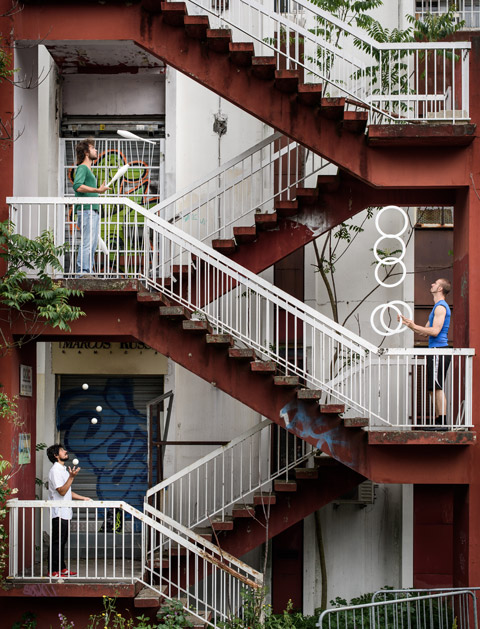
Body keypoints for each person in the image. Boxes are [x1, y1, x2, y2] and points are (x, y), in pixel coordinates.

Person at [399, 278, 452, 431]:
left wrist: (413, 325)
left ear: (440, 288)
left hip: (439, 351)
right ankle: (437, 421)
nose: (431, 284)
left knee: (437, 386)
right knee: (432, 387)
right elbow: (424, 332)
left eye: (434, 283)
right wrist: (409, 325)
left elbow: (435, 331)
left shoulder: (441, 307)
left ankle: (442, 423)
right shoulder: (436, 307)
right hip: (434, 351)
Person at [46, 444, 91, 577]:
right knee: (57, 541)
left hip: (65, 511)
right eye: (62, 451)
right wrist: (71, 477)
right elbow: (61, 491)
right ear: (56, 455)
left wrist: (83, 498)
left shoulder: (64, 470)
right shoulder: (55, 470)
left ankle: (62, 568)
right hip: (58, 511)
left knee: (62, 540)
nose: (66, 452)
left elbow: (68, 492)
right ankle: (53, 570)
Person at [73, 139, 108, 276]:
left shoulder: (88, 169)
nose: (96, 150)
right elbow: (77, 186)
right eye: (93, 148)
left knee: (92, 243)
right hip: (86, 210)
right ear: (86, 152)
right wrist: (97, 190)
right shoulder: (82, 167)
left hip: (91, 210)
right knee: (88, 242)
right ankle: (82, 271)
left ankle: (88, 270)